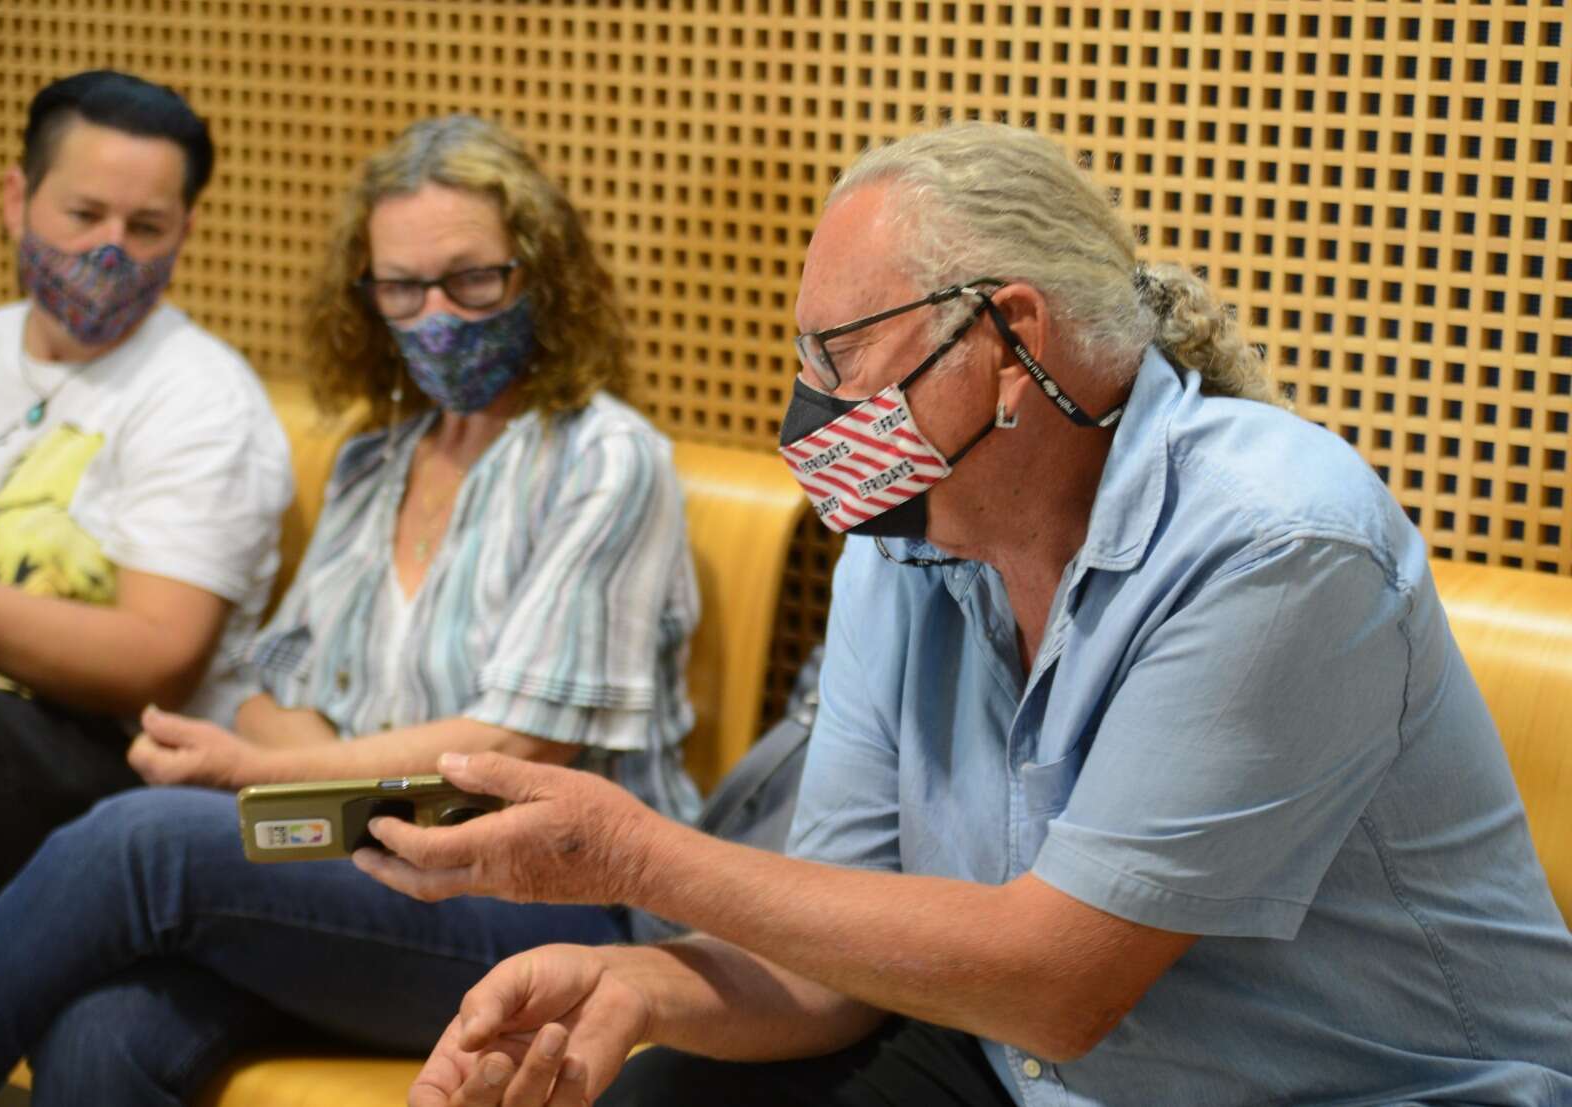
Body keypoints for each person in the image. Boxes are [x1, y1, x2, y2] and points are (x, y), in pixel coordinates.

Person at [353, 122, 1572, 1107]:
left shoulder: (1275, 543)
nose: (810, 407)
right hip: (1024, 1067)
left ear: (1009, 342)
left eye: (838, 356)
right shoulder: (901, 543)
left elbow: (1057, 984)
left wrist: (632, 856)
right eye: (801, 361)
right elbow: (836, 959)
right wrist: (636, 984)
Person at [0, 114, 699, 1107]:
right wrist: (319, 772)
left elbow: (517, 746)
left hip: (546, 903)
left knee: (141, 842)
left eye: (471, 281)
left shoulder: (605, 459)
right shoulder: (374, 461)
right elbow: (267, 691)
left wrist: (266, 770)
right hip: (365, 872)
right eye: (402, 288)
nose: (436, 315)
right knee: (103, 1031)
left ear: (542, 274)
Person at [0, 70, 292, 913]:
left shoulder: (202, 398)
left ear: (185, 232)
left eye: (144, 227)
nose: (108, 251)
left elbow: (156, 661)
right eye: (83, 215)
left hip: (113, 769)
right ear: (16, 199)